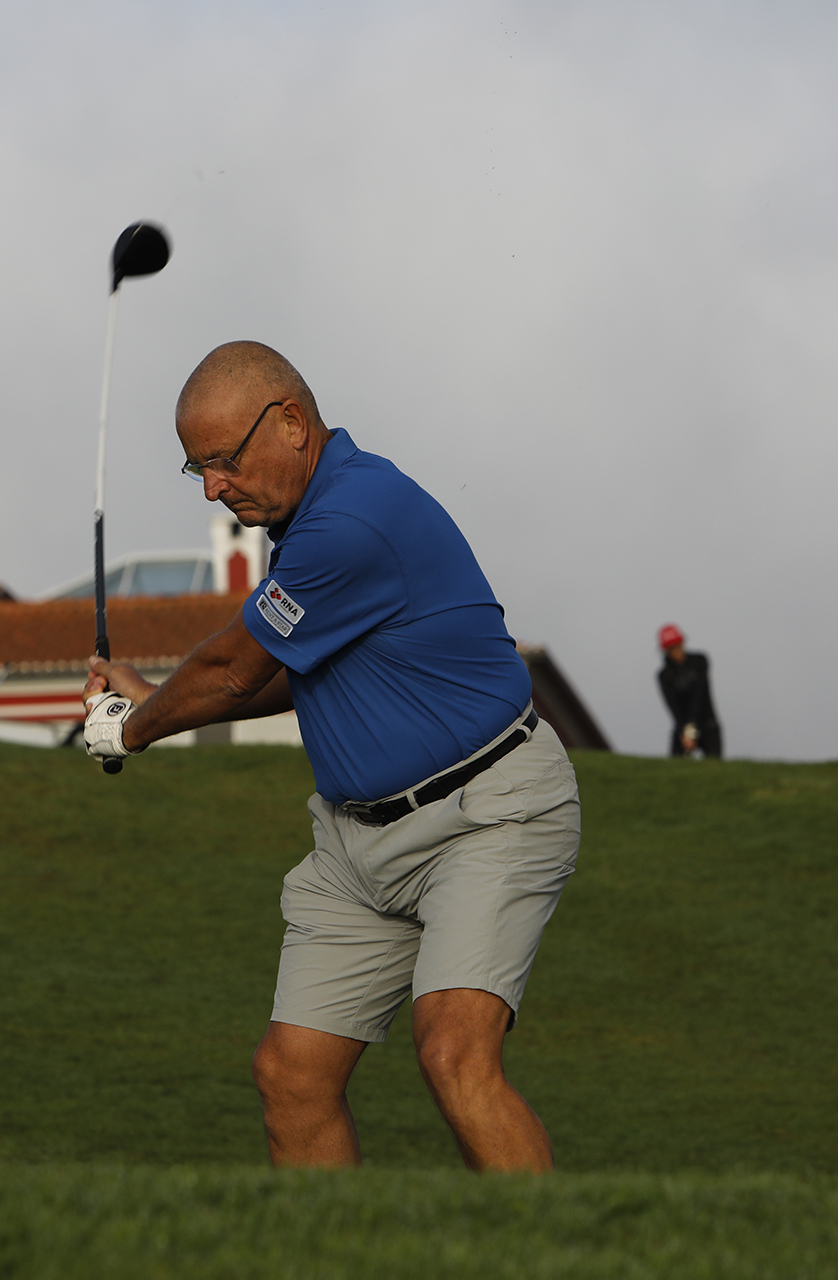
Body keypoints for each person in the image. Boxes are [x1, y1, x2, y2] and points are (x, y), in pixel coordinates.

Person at [81, 341, 581, 1173]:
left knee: (454, 1054)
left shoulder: (351, 520)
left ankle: (566, 1245)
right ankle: (333, 1243)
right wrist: (153, 699)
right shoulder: (312, 521)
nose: (212, 488)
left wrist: (128, 729)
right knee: (292, 1076)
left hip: (487, 814)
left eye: (224, 461)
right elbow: (287, 671)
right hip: (357, 846)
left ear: (290, 423)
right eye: (197, 469)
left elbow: (234, 669)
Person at [654, 625, 722, 759]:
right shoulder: (664, 676)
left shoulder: (700, 661)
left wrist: (691, 727)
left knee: (714, 766)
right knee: (674, 767)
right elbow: (673, 707)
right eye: (671, 648)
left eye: (678, 646)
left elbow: (699, 695)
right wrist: (684, 732)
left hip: (708, 725)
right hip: (682, 727)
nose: (676, 651)